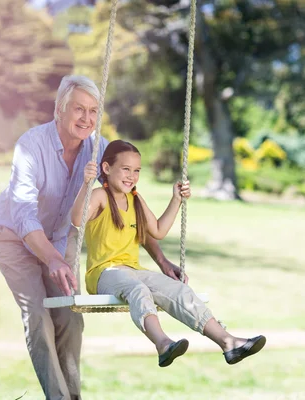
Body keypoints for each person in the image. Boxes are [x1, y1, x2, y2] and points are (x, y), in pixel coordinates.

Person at [0, 75, 186, 400]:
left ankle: (74, 396)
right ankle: (58, 397)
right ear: (59, 110)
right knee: (38, 316)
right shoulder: (31, 145)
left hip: (60, 240)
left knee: (70, 318)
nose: (86, 118)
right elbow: (23, 214)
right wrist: (50, 258)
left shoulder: (100, 148)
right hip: (13, 236)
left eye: (93, 111)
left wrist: (161, 260)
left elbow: (127, 207)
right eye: (79, 109)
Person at [71, 139, 266, 368]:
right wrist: (85, 183)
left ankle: (228, 342)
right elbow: (77, 219)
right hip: (105, 274)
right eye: (125, 169)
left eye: (136, 171)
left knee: (178, 289)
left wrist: (176, 200)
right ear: (106, 168)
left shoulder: (135, 199)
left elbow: (158, 231)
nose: (131, 176)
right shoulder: (99, 196)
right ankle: (162, 343)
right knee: (138, 289)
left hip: (133, 271)